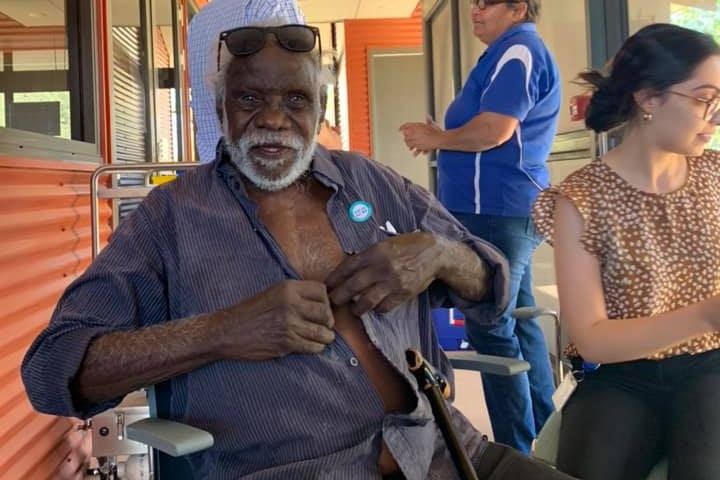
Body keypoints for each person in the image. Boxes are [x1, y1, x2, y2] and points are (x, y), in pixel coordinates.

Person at [21, 10, 577, 480]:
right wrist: (221, 332)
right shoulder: (169, 220)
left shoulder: (372, 184)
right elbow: (52, 372)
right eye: (248, 98)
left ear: (319, 111)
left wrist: (439, 254)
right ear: (220, 113)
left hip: (446, 454)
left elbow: (495, 285)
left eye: (295, 98)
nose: (272, 119)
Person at [533, 23, 720, 480]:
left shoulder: (716, 175)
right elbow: (594, 337)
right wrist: (704, 315)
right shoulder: (580, 199)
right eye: (704, 98)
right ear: (648, 97)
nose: (715, 117)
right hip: (620, 375)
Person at [400, 0, 558, 454]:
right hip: (492, 212)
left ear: (518, 8)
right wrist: (443, 138)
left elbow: (495, 130)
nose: (475, 10)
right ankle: (543, 435)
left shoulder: (520, 50)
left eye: (486, 2)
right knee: (519, 324)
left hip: (498, 212)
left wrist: (438, 139)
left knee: (492, 326)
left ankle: (514, 451)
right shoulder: (502, 52)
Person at [187, 0, 305, 162]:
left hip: (212, 170)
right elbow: (293, 91)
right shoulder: (270, 5)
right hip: (266, 168)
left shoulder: (200, 20)